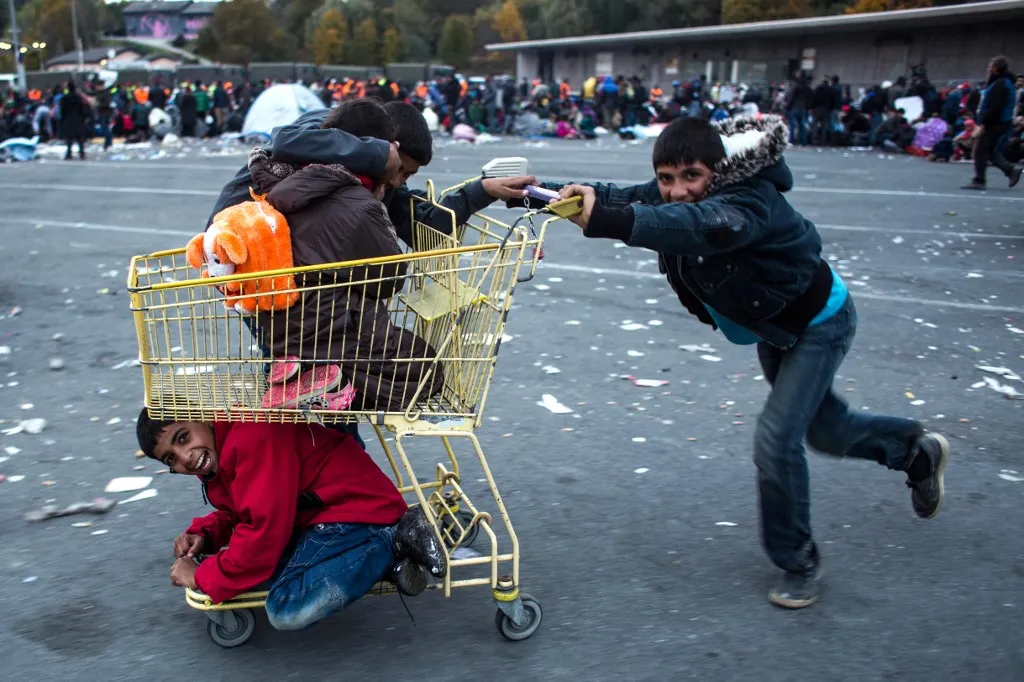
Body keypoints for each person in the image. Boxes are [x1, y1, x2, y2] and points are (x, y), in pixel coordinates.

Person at [542, 115, 951, 609]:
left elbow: (700, 226)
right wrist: (536, 193)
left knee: (776, 440)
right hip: (774, 326)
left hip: (821, 322)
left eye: (691, 176)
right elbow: (623, 194)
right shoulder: (676, 190)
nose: (676, 191)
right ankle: (914, 451)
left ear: (719, 169)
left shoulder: (748, 201)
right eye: (667, 178)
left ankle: (796, 559)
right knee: (825, 431)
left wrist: (613, 223)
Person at [136, 409, 447, 629]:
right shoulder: (222, 445)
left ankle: (394, 538)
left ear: (201, 414)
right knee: (250, 573)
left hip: (356, 510)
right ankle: (390, 561)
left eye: (182, 437)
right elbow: (247, 509)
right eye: (171, 459)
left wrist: (202, 576)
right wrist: (206, 534)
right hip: (319, 517)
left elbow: (263, 533)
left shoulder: (251, 436)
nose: (185, 457)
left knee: (286, 606)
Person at [961, 56, 1023, 190]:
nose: (988, 68)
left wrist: (984, 123)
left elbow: (995, 107)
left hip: (996, 122)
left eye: (990, 66)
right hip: (1001, 122)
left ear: (996, 69)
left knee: (980, 150)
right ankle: (1010, 170)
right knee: (989, 150)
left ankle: (979, 180)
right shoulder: (1004, 82)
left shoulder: (1000, 84)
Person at [58, 81, 90, 160]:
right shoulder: (78, 98)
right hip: (78, 119)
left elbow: (62, 110)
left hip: (68, 119)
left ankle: (69, 154)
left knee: (69, 138)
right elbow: (82, 109)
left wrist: (62, 119)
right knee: (80, 139)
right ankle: (82, 153)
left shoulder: (65, 98)